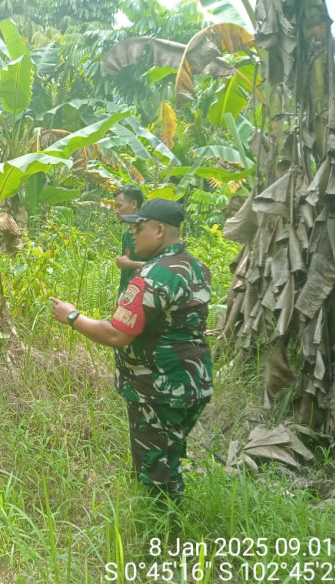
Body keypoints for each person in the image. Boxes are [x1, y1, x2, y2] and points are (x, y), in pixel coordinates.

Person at [50, 199, 213, 502]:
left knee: (155, 477)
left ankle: (161, 526)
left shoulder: (152, 276)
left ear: (159, 230)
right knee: (170, 457)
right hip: (194, 382)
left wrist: (72, 317)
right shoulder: (196, 267)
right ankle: (172, 512)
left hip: (158, 388)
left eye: (139, 227)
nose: (133, 234)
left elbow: (117, 334)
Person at [112, 185, 146, 297]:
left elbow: (160, 268)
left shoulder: (148, 234)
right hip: (127, 297)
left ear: (134, 204)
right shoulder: (126, 234)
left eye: (119, 206)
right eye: (115, 207)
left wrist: (129, 264)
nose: (116, 211)